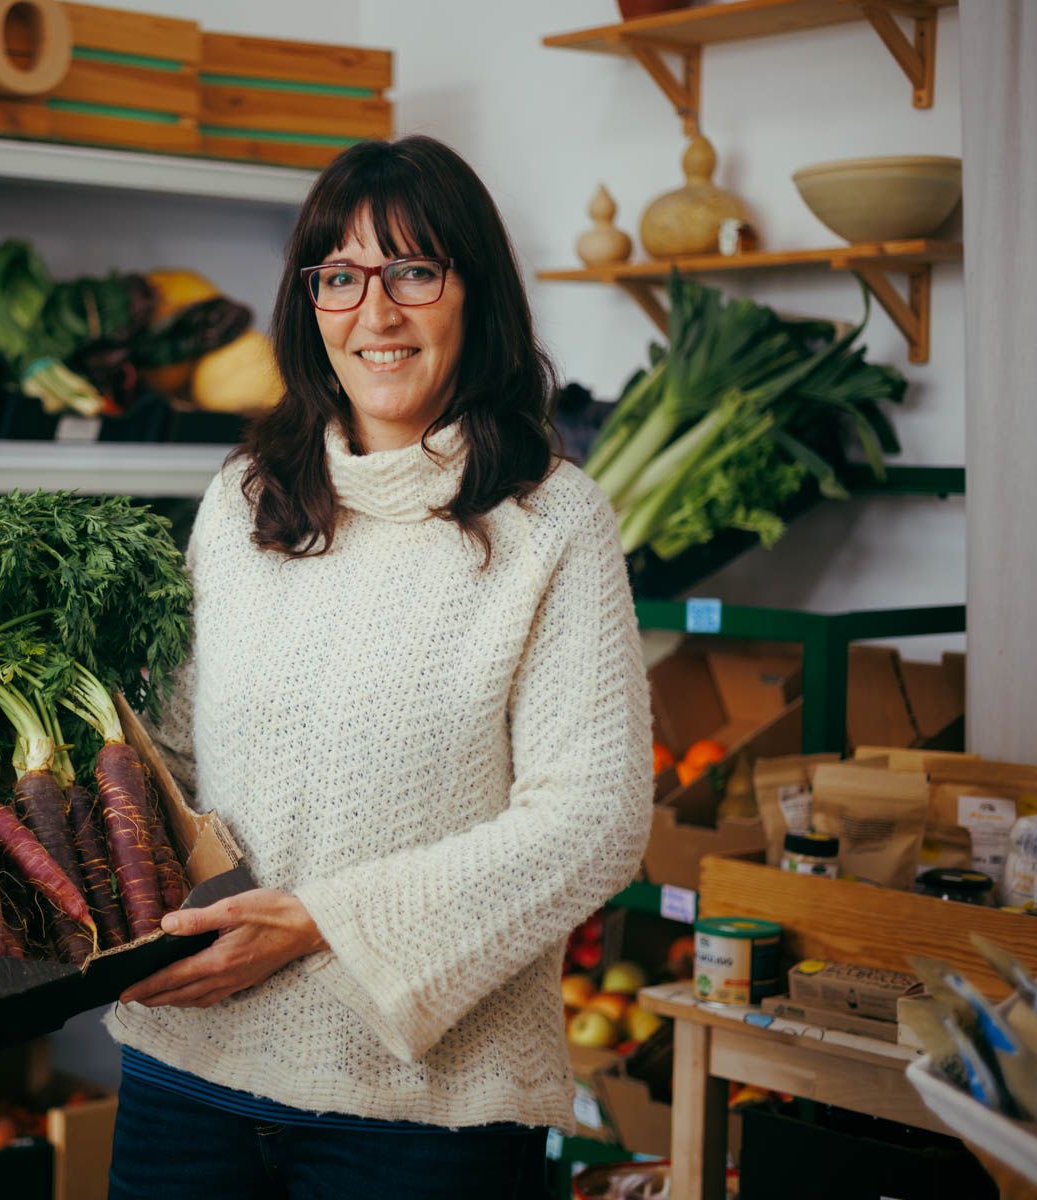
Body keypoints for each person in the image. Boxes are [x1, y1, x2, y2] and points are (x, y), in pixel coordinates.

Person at [104, 135, 654, 1199]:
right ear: (310, 302)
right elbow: (166, 753)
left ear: (472, 294)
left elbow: (594, 818)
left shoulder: (551, 523)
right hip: (188, 1080)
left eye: (414, 270)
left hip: (419, 1119)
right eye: (341, 276)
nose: (377, 312)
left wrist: (315, 923)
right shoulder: (244, 501)